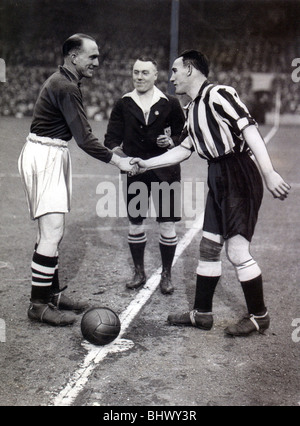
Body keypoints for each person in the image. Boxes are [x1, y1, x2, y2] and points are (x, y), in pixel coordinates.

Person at [130, 50, 291, 336]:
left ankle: (259, 316)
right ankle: (202, 313)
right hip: (217, 175)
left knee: (237, 251)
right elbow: (183, 149)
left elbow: (249, 130)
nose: (171, 78)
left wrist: (269, 173)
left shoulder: (219, 94)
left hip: (238, 172)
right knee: (208, 247)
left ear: (190, 70)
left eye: (175, 71)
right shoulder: (192, 109)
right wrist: (146, 164)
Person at [18, 34, 134, 326]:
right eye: (92, 56)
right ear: (73, 56)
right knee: (52, 231)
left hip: (50, 153)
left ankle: (52, 294)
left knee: (52, 229)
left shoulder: (65, 82)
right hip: (45, 156)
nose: (97, 61)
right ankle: (38, 304)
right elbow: (84, 139)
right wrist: (117, 160)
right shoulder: (66, 86)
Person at [104, 57, 185, 294]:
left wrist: (171, 141)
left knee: (167, 224)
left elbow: (184, 136)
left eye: (144, 73)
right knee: (135, 222)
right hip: (136, 172)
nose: (139, 77)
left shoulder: (170, 102)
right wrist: (122, 157)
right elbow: (110, 139)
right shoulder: (123, 103)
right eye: (136, 72)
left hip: (165, 172)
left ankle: (167, 275)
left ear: (155, 75)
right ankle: (139, 272)